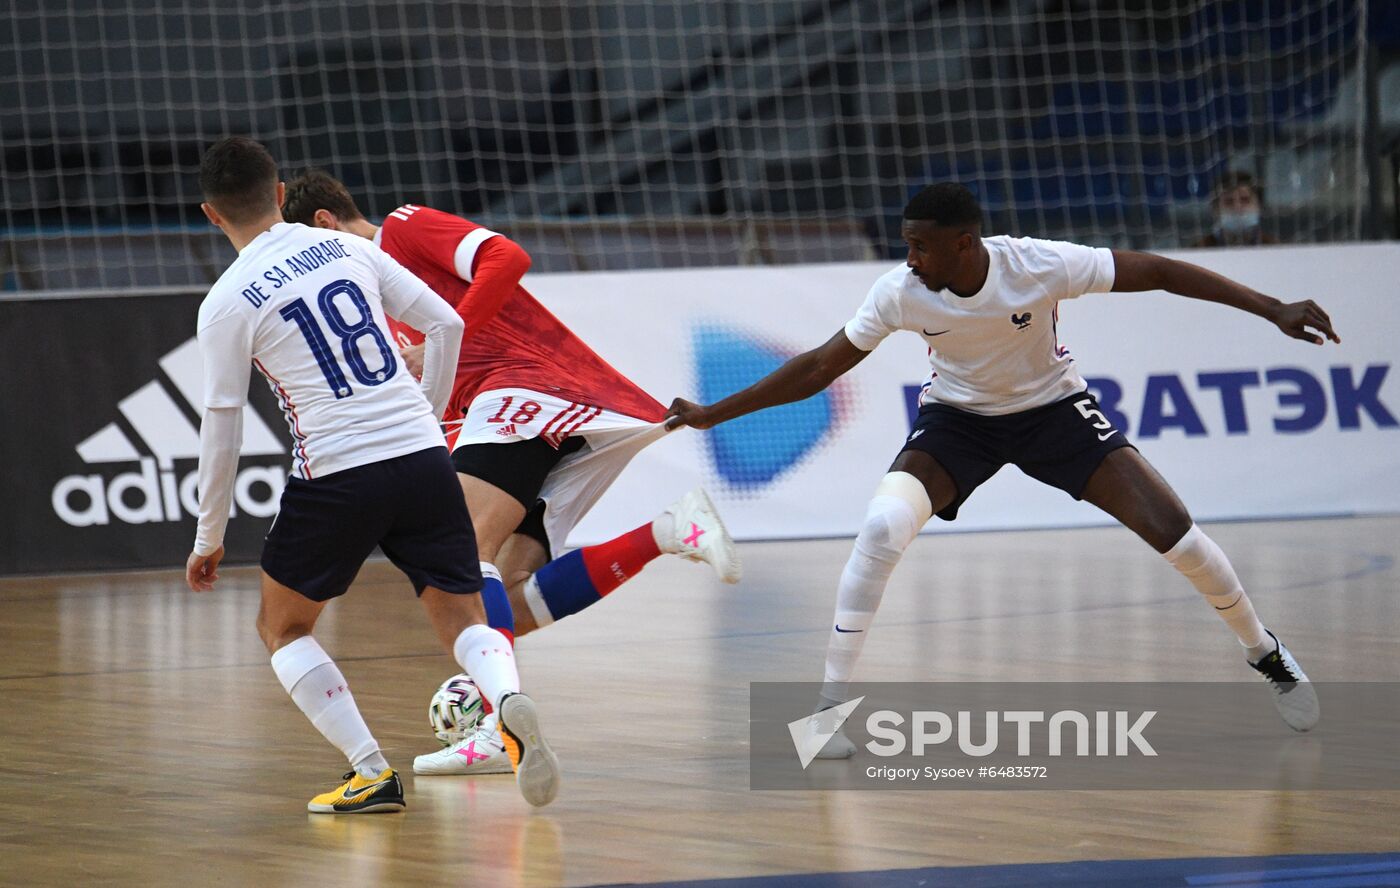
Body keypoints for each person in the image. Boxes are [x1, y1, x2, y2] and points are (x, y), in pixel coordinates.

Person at [668, 182, 1338, 756]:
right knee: (880, 529)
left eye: (920, 246)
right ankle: (827, 712)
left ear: (964, 242)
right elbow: (817, 368)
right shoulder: (901, 292)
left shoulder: (1038, 265)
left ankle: (1263, 650)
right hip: (958, 423)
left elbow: (1158, 271)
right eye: (906, 244)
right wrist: (711, 415)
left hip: (1054, 411)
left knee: (1174, 529)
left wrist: (1273, 308)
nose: (909, 258)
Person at [281, 171, 740, 776]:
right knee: (512, 596)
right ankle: (665, 532)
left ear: (325, 225)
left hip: (527, 386)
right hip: (512, 414)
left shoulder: (402, 229)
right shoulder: (377, 302)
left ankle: (497, 729)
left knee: (466, 554)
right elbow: (441, 406)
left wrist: (451, 337)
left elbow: (506, 254)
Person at [184, 137, 560, 810]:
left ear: (212, 215)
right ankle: (507, 702)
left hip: (335, 474)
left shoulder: (227, 301)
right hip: (420, 457)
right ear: (278, 195)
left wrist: (208, 537)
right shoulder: (351, 247)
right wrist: (430, 413)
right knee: (460, 612)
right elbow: (444, 323)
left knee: (284, 628)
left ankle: (370, 770)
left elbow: (223, 424)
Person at [1194, 170, 1278, 248]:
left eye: (1245, 200)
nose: (1237, 207)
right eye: (1229, 201)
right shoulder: (1198, 249)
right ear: (1215, 209)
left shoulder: (1276, 248)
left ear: (1259, 206)